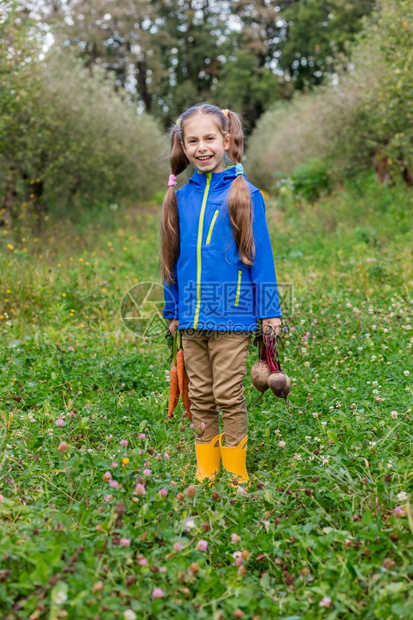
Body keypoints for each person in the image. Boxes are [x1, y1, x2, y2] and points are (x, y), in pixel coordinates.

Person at [161, 103, 282, 484]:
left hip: (232, 316)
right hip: (193, 317)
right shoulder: (180, 198)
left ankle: (237, 472)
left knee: (228, 394)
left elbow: (261, 260)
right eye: (192, 140)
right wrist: (172, 309)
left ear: (226, 140)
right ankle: (206, 469)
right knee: (199, 397)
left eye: (210, 138)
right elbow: (170, 259)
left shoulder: (245, 194)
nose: (202, 147)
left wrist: (269, 312)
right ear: (182, 145)